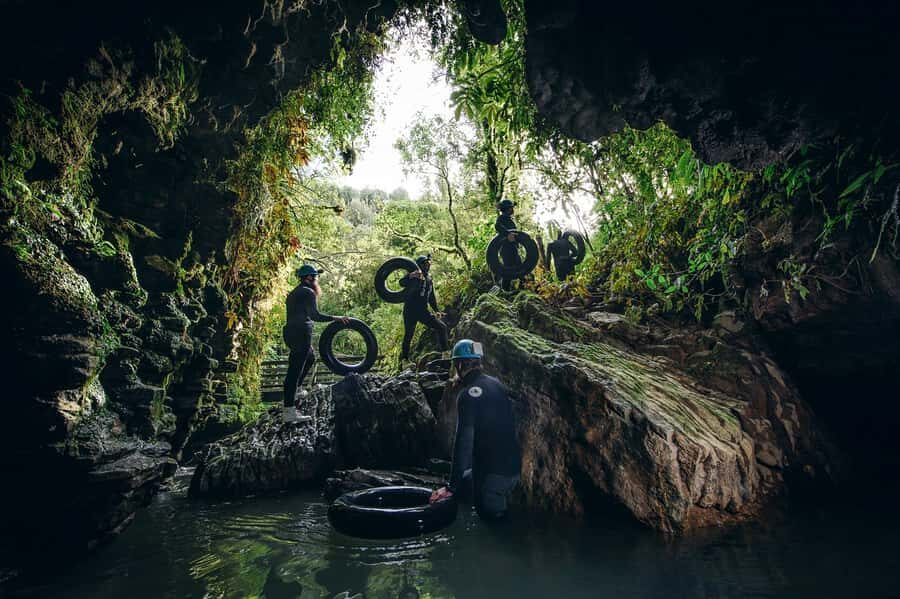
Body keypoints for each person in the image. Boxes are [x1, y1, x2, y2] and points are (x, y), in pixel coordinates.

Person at [430, 339, 521, 521]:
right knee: (472, 485)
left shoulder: (468, 396)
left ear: (460, 365)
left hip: (493, 477)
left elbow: (464, 441)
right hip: (513, 469)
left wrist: (451, 487)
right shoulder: (496, 383)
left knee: (494, 528)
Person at [282, 264, 349, 423]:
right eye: (315, 276)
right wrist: (335, 318)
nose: (317, 279)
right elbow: (315, 315)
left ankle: (297, 391)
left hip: (291, 333)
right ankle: (289, 411)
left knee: (310, 358)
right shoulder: (308, 292)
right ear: (308, 278)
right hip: (300, 334)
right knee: (294, 371)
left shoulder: (295, 292)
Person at [398, 254, 449, 364]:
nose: (428, 266)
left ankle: (445, 354)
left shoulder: (429, 278)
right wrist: (410, 276)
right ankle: (404, 360)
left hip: (423, 311)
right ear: (420, 265)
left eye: (428, 263)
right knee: (409, 334)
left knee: (441, 327)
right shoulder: (415, 276)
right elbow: (401, 282)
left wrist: (436, 310)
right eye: (425, 264)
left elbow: (431, 296)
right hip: (410, 310)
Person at [494, 199, 521, 291]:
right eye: (511, 207)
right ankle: (505, 291)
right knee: (508, 270)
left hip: (513, 248)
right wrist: (507, 234)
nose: (513, 209)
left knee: (520, 268)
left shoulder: (509, 219)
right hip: (506, 249)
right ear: (507, 209)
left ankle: (522, 289)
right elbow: (497, 226)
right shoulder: (501, 218)